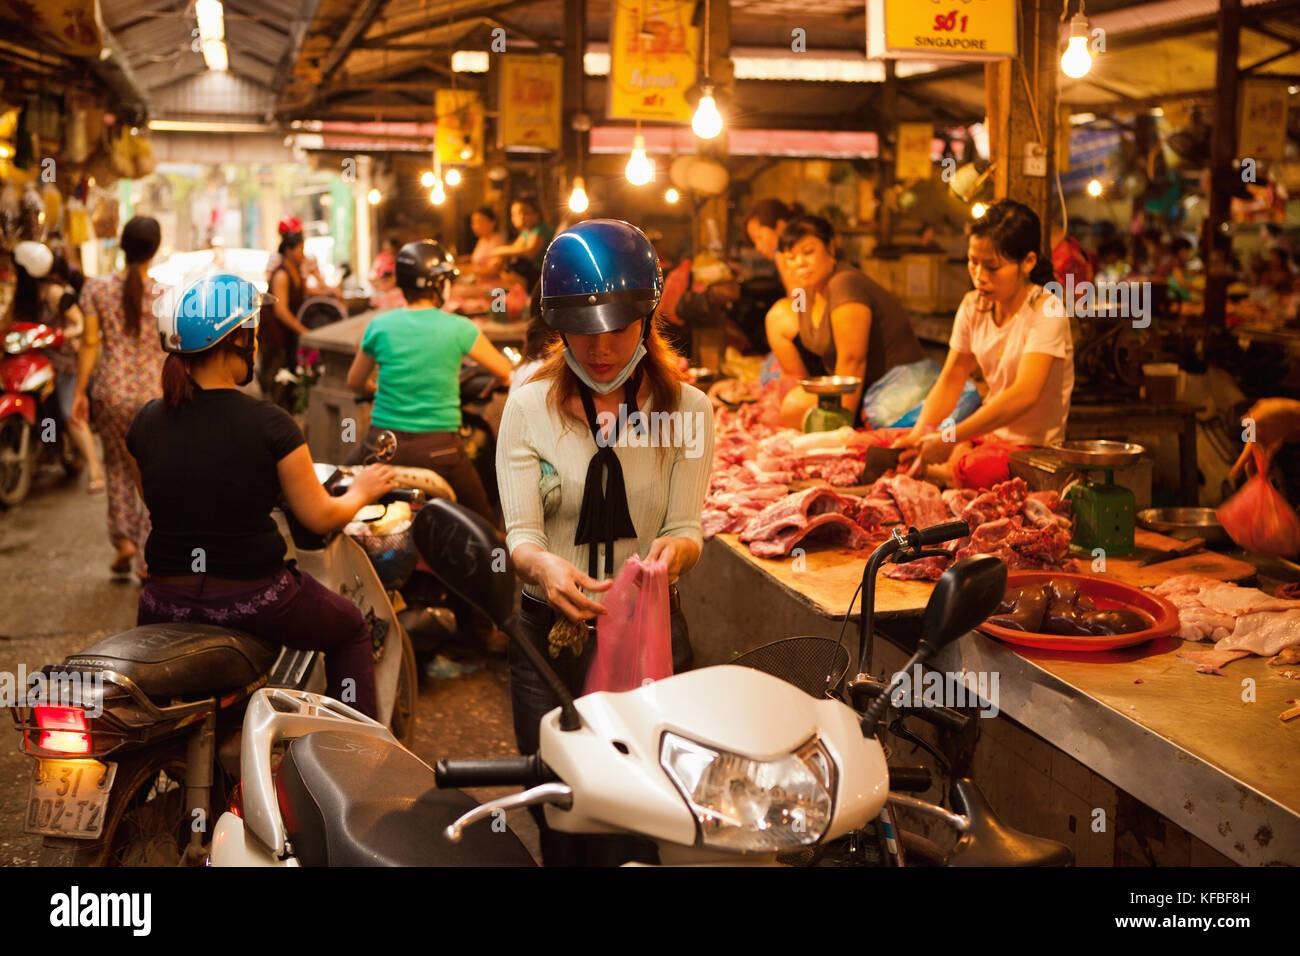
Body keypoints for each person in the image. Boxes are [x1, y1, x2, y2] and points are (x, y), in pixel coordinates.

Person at [496, 219, 713, 864]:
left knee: (646, 818)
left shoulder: (689, 413)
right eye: (582, 332)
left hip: (648, 638)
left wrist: (674, 557)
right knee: (561, 816)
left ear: (646, 319)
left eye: (617, 328)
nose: (600, 348)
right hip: (547, 645)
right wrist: (541, 568)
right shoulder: (528, 406)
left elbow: (685, 528)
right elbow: (523, 536)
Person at [130, 272, 394, 718]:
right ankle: (360, 757)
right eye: (250, 332)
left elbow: (158, 499)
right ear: (236, 340)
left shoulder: (145, 422)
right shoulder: (270, 424)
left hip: (163, 600)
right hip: (254, 599)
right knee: (350, 627)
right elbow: (319, 516)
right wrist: (363, 490)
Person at [894, 199, 1075, 489]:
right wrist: (921, 431)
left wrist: (951, 437)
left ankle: (947, 472)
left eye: (992, 267)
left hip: (1033, 448)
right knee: (901, 445)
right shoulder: (973, 305)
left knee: (974, 469)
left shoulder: (1046, 309)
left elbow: (1024, 395)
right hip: (988, 437)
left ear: (1028, 262)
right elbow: (953, 375)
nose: (979, 276)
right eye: (972, 262)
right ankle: (944, 467)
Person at [345, 240, 512, 522]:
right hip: (440, 452)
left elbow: (354, 382)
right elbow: (504, 370)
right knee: (485, 525)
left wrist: (375, 389)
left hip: (382, 446)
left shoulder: (380, 325)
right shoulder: (459, 327)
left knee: (339, 493)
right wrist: (497, 382)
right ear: (438, 285)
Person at [765, 214, 925, 428]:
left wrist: (841, 427)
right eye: (791, 257)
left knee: (793, 408)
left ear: (830, 247)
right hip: (853, 386)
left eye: (808, 252)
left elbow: (853, 361)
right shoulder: (810, 291)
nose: (800, 263)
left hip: (889, 391)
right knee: (776, 316)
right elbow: (784, 317)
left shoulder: (844, 284)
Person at [72, 217, 164, 578]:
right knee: (151, 472)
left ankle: (124, 541)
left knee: (117, 466)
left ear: (123, 246)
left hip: (110, 392)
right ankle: (146, 556)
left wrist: (79, 392)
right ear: (155, 249)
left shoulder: (96, 289)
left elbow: (90, 343)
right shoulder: (164, 293)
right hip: (155, 396)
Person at [7, 241, 104, 492]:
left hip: (62, 364)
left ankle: (95, 469)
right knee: (46, 410)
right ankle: (48, 445)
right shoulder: (23, 296)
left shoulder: (54, 293)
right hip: (33, 362)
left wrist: (62, 334)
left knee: (69, 413)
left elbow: (80, 323)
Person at [258, 219, 308, 405]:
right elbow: (281, 311)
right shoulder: (281, 274)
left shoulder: (295, 271)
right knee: (276, 381)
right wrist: (302, 330)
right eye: (300, 249)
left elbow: (304, 292)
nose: (303, 253)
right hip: (275, 335)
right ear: (289, 250)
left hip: (287, 336)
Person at [488, 197, 554, 282]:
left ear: (536, 213)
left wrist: (500, 250)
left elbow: (530, 252)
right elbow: (515, 248)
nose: (520, 217)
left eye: (525, 212)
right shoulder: (526, 232)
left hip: (543, 275)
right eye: (514, 214)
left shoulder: (541, 229)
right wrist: (500, 257)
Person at [369, 236, 405, 312]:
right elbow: (372, 274)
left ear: (394, 247)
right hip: (382, 290)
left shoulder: (400, 258)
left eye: (388, 247)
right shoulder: (381, 258)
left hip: (395, 291)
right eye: (385, 247)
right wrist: (378, 284)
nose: (387, 250)